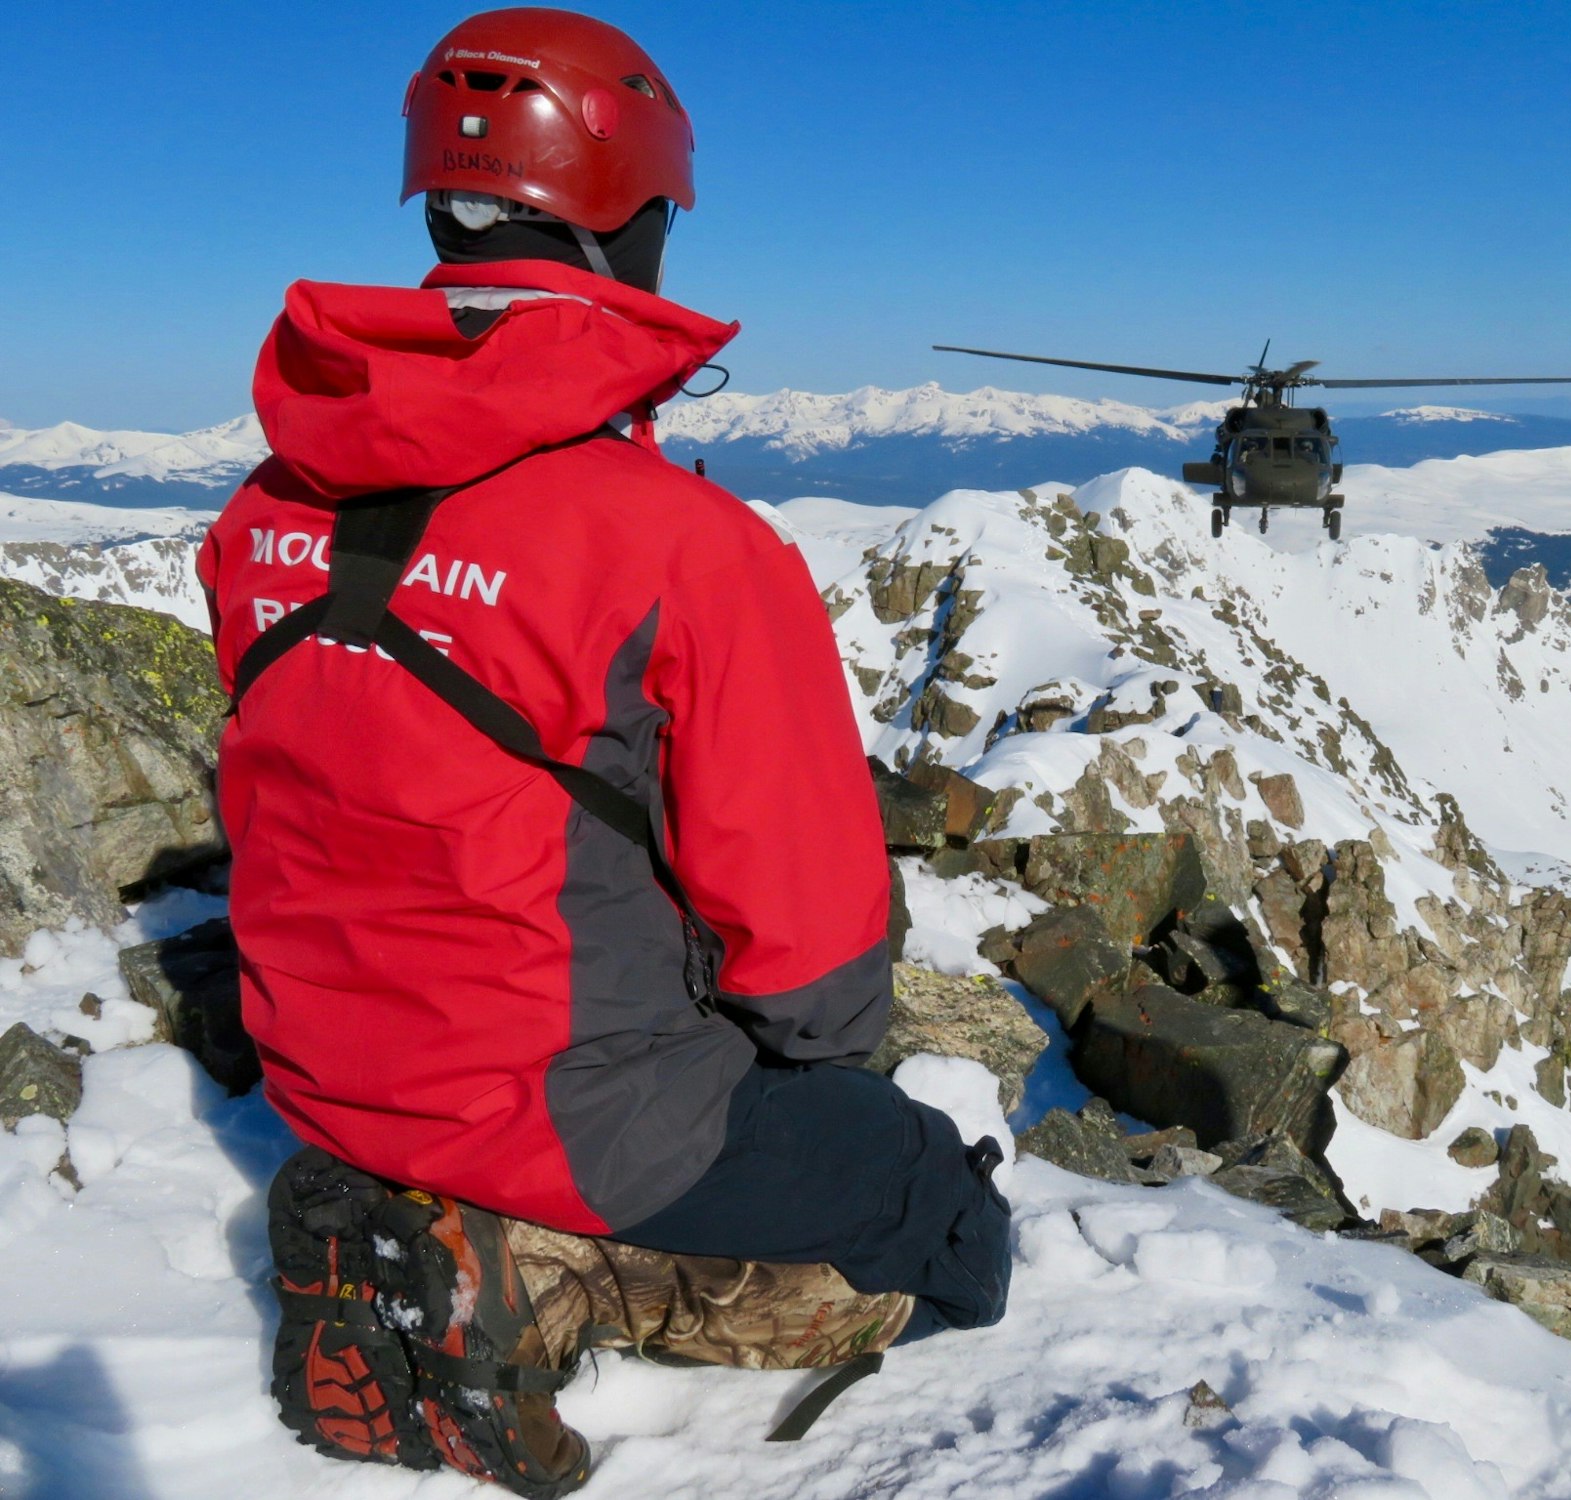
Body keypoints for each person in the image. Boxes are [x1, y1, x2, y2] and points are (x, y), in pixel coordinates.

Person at [197, 9, 1008, 1493]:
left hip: (317, 1072)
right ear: (638, 218)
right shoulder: (685, 551)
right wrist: (820, 1095)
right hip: (579, 1116)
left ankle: (432, 1217)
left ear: (436, 205)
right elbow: (812, 958)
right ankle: (525, 1271)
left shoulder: (261, 516)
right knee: (944, 1219)